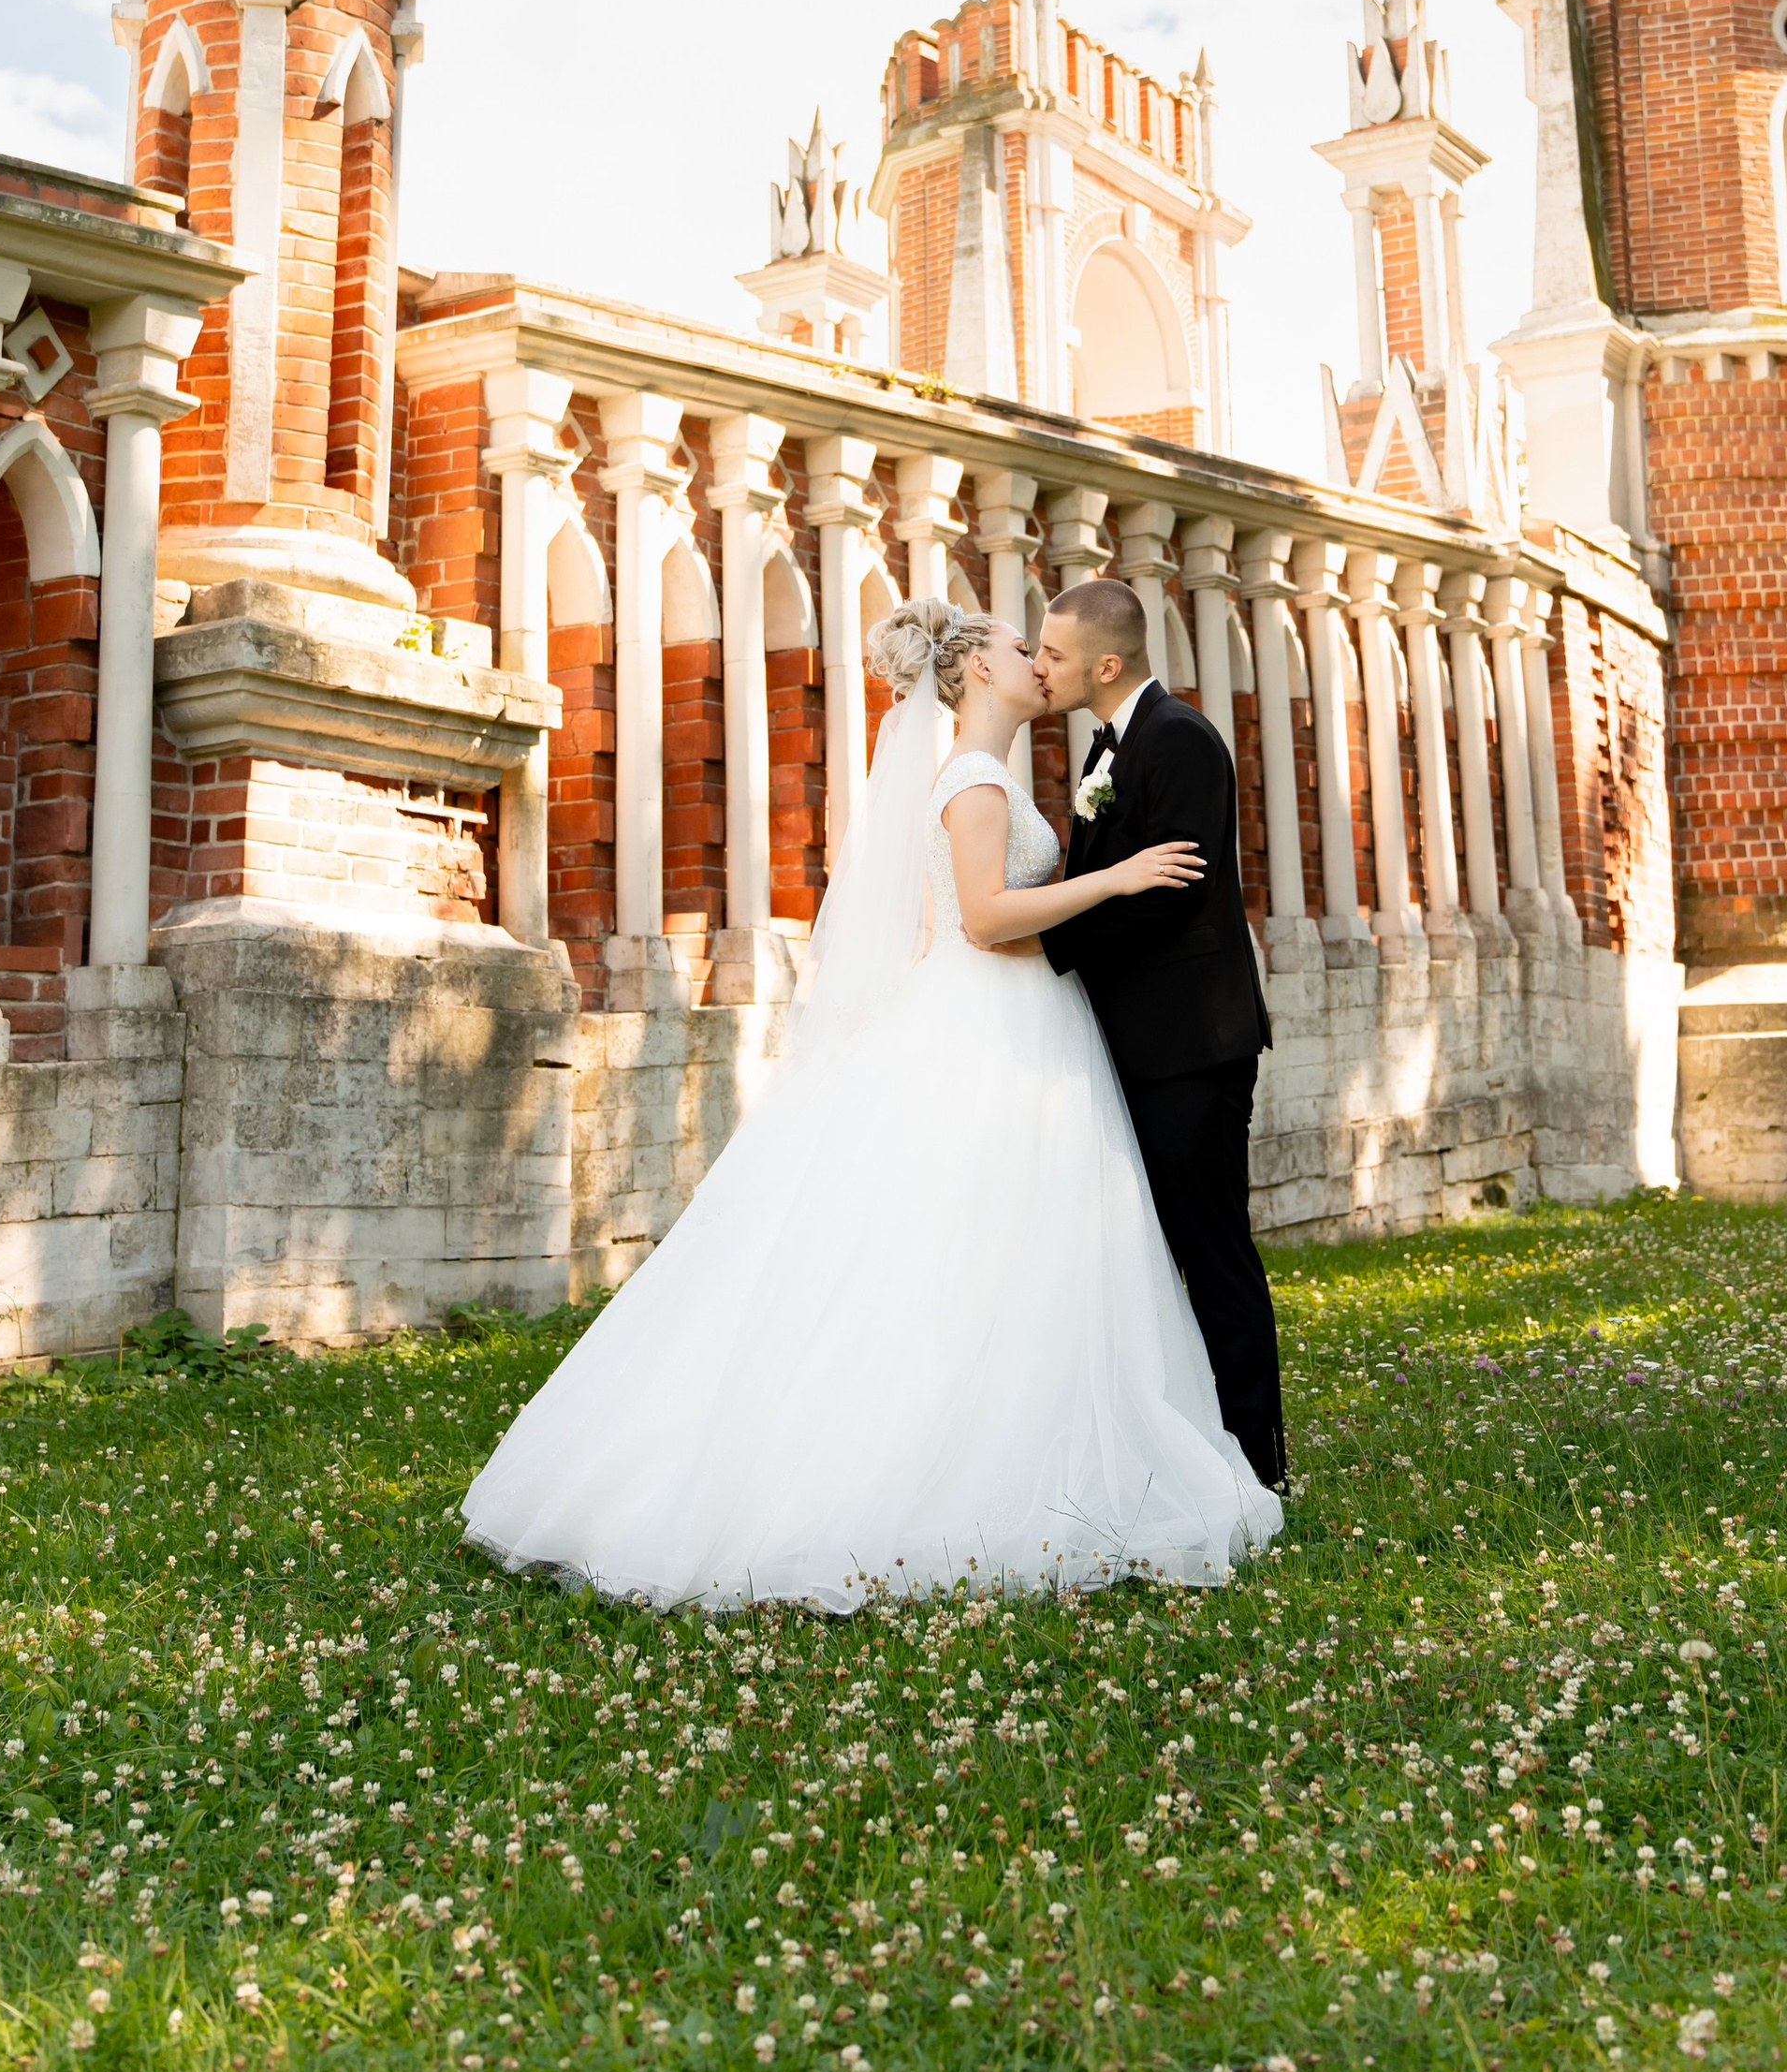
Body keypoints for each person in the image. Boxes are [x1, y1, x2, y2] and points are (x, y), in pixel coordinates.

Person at [459, 601, 1281, 1612]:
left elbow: (964, 916)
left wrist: (1088, 900)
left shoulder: (1006, 774)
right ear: (976, 668)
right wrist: (1110, 882)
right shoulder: (974, 780)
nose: (1038, 662)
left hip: (1032, 1019)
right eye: (1025, 649)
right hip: (994, 1019)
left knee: (1021, 1252)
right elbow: (980, 921)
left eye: (1049, 648)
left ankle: (1042, 1429)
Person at [1033, 578, 1288, 1491]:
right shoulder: (1108, 748)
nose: (1040, 666)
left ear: (1106, 664)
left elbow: (1171, 893)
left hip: (1190, 1046)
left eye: (1053, 654)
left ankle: (1259, 1468)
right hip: (1132, 1042)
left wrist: (1038, 944)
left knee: (1210, 1249)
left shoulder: (1178, 740)